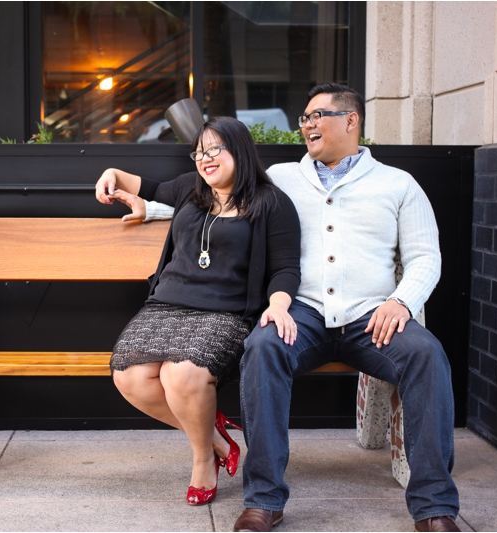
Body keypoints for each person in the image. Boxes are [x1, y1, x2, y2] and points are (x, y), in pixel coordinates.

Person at [134, 85, 461, 532]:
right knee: (263, 348)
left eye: (317, 115)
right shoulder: (282, 177)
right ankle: (264, 499)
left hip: (372, 317)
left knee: (427, 354)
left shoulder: (398, 184)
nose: (307, 125)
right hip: (300, 315)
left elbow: (426, 257)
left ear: (351, 120)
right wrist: (148, 207)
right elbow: (218, 199)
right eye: (304, 118)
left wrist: (401, 301)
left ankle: (434, 507)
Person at [94, 116, 301, 507]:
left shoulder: (271, 203)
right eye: (199, 152)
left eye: (215, 149)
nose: (205, 159)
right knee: (129, 376)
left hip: (226, 312)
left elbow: (286, 267)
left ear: (239, 150)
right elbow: (142, 185)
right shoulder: (191, 189)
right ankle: (218, 438)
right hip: (166, 305)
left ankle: (204, 459)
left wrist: (278, 304)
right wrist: (111, 174)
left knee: (182, 376)